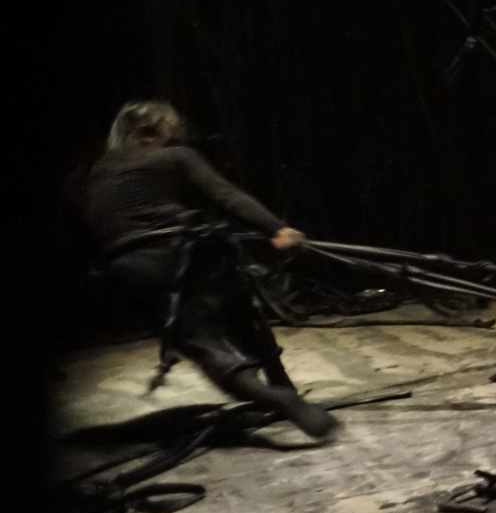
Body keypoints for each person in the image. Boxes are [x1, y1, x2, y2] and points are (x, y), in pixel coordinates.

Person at [83, 101, 335, 437]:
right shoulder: (175, 157)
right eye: (172, 132)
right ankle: (281, 388)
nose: (179, 139)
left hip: (127, 271)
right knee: (240, 301)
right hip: (179, 255)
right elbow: (226, 195)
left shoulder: (97, 171)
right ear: (147, 134)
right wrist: (278, 229)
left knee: (201, 342)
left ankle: (271, 393)